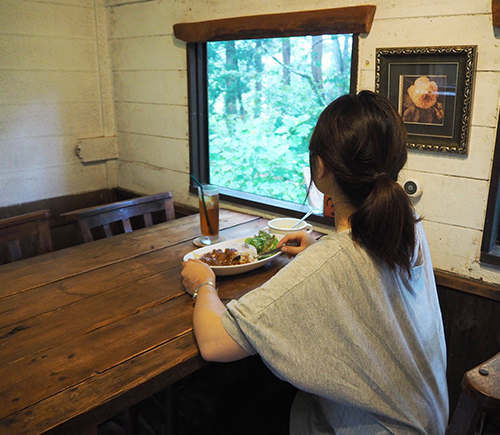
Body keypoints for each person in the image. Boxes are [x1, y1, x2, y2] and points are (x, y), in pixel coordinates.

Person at [181, 90, 449, 434]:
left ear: (321, 166)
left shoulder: (333, 259)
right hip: (427, 418)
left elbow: (215, 343)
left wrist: (203, 283)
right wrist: (318, 249)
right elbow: (362, 277)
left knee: (234, 405)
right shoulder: (406, 223)